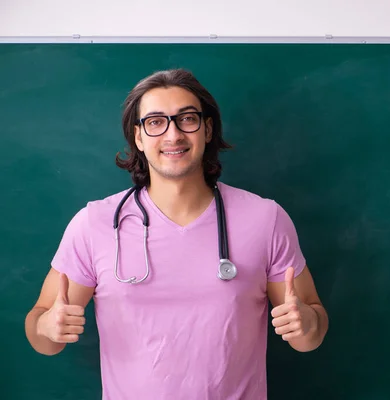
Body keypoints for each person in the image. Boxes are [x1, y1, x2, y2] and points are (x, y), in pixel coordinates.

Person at [24, 68, 329, 399]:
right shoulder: (95, 224)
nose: (173, 135)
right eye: (155, 122)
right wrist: (46, 326)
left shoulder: (265, 219)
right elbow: (43, 338)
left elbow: (308, 337)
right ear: (138, 137)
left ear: (207, 129)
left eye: (187, 119)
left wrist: (308, 323)